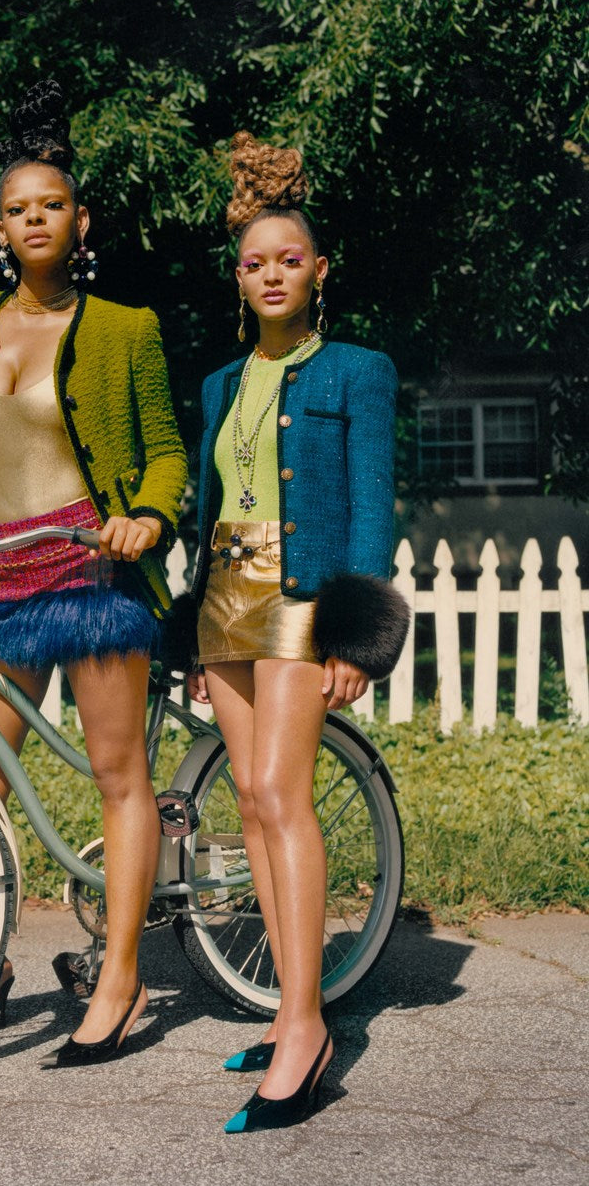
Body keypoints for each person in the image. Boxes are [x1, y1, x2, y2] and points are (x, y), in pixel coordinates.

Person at [0, 80, 188, 1066]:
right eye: (16, 207)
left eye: (52, 203)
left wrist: (147, 517)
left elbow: (165, 451)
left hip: (91, 578)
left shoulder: (125, 327)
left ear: (79, 221)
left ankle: (119, 978)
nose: (34, 218)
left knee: (118, 781)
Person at [188, 132, 408, 1130]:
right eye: (253, 263)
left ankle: (309, 1027)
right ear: (237, 279)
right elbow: (211, 509)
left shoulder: (359, 371)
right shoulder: (218, 387)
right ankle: (288, 1012)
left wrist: (355, 640)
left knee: (281, 793)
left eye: (289, 259)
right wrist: (192, 635)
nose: (271, 274)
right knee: (244, 797)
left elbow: (369, 508)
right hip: (229, 593)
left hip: (304, 596)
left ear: (318, 272)